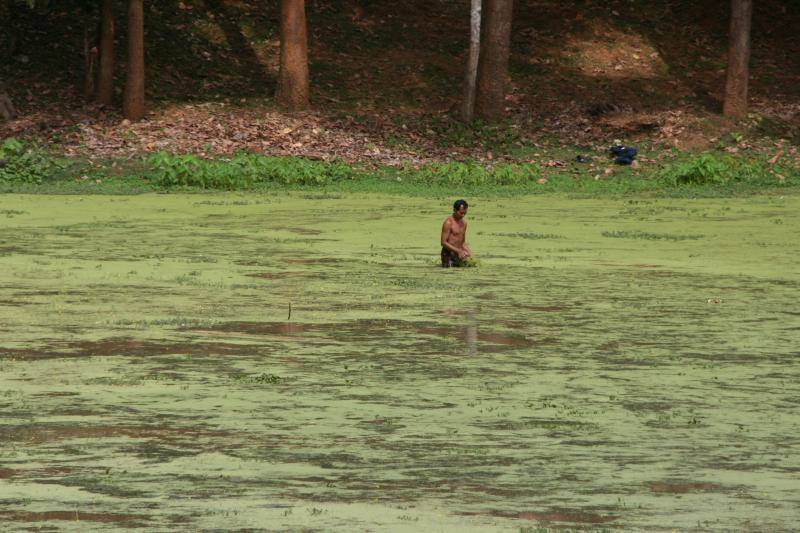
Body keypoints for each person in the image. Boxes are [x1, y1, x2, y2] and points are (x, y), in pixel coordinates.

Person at [440, 199, 473, 267]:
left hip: (459, 253)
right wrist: (458, 251)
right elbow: (443, 242)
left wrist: (470, 254)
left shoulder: (464, 223)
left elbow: (462, 242)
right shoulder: (448, 223)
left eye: (465, 213)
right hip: (448, 254)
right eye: (461, 213)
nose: (463, 215)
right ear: (454, 210)